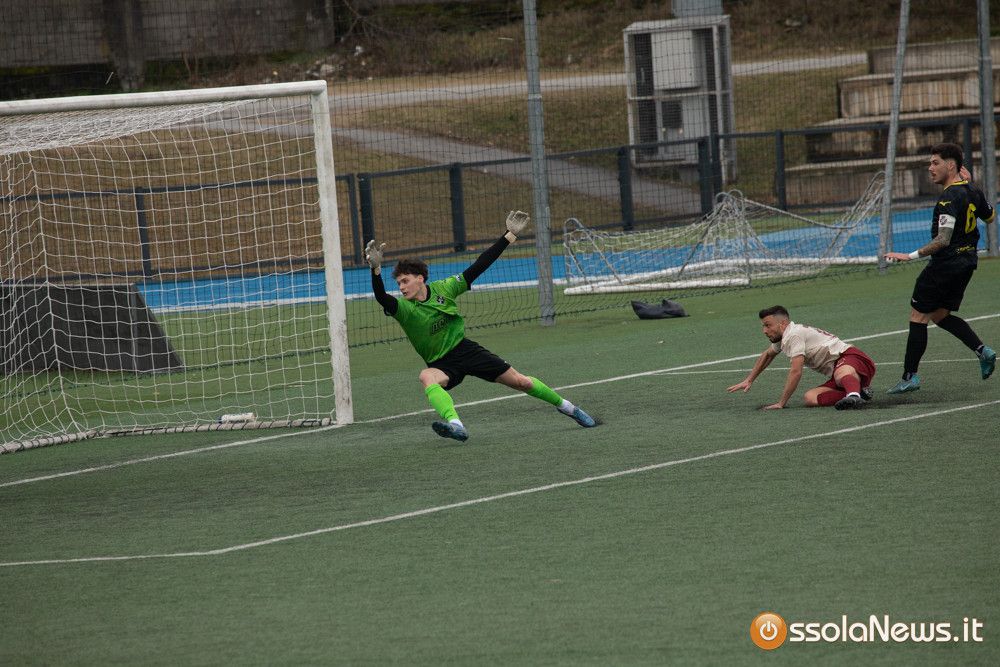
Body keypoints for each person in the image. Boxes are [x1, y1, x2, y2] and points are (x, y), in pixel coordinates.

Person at [365, 210, 598, 442]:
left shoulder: (444, 288)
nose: (401, 287)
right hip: (441, 364)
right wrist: (375, 271)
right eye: (399, 283)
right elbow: (382, 297)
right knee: (426, 376)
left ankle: (568, 407)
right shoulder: (404, 309)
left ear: (420, 278)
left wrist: (509, 236)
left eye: (405, 281)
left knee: (522, 382)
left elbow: (479, 265)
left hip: (466, 350)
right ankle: (455, 425)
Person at [883, 142, 996, 394]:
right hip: (967, 263)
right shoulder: (972, 189)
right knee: (940, 315)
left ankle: (909, 376)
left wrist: (909, 256)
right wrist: (972, 185)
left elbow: (942, 240)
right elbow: (990, 217)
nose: (930, 168)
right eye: (930, 163)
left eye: (935, 163)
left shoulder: (948, 198)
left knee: (918, 316)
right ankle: (982, 351)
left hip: (944, 266)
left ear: (951, 165)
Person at [727, 306, 876, 410]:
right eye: (763, 326)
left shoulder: (794, 335)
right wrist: (749, 379)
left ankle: (853, 394)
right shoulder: (785, 335)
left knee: (840, 375)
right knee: (810, 398)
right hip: (840, 370)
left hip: (851, 357)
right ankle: (859, 393)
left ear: (783, 323)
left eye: (768, 325)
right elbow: (767, 355)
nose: (764, 331)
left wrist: (781, 403)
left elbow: (796, 372)